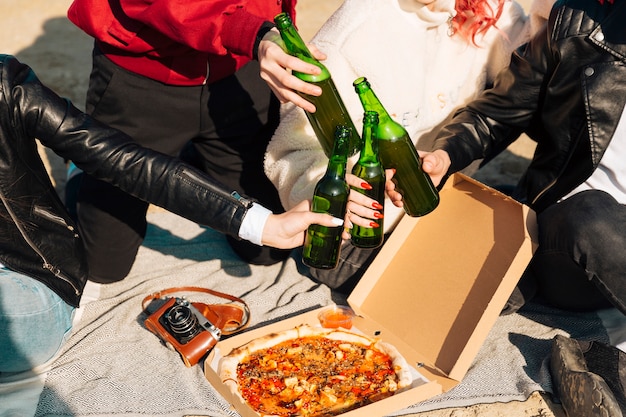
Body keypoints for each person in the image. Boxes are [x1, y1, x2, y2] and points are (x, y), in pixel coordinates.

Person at [0, 54, 343, 374]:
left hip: (223, 83)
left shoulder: (4, 82)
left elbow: (119, 159)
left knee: (264, 252)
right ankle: (96, 167)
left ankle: (85, 165)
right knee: (106, 265)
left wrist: (262, 223)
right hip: (145, 85)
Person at [403, 0, 626, 414]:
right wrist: (445, 154)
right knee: (591, 216)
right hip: (571, 237)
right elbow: (499, 114)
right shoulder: (576, 23)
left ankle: (602, 366)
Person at [264, 0, 530, 292]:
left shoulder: (495, 14)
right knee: (477, 290)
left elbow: (536, 76)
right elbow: (293, 150)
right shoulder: (359, 27)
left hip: (440, 201)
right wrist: (333, 197)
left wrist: (449, 154)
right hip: (362, 234)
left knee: (518, 271)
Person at [65, 0, 326, 283]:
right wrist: (253, 33)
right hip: (144, 79)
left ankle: (193, 156)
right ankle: (79, 166)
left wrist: (271, 27)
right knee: (101, 267)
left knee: (267, 250)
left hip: (238, 68)